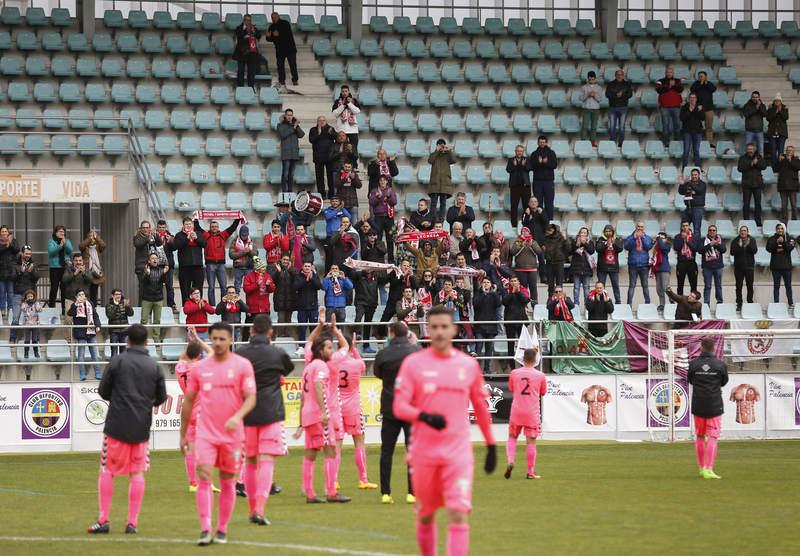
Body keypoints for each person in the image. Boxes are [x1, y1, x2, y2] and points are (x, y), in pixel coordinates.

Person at [394, 306, 496, 556]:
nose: (439, 332)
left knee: (458, 512)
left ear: (454, 329)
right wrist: (424, 416)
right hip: (424, 453)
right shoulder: (413, 364)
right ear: (427, 330)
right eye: (434, 327)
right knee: (426, 515)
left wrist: (491, 444)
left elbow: (482, 408)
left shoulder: (468, 365)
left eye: (444, 327)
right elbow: (399, 406)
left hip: (457, 453)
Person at [180, 322, 257, 545]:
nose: (218, 343)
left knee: (227, 481)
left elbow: (251, 397)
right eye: (215, 339)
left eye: (222, 339)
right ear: (210, 339)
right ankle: (205, 528)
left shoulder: (243, 365)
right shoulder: (201, 368)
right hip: (205, 434)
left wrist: (238, 415)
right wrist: (183, 434)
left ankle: (222, 529)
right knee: (204, 476)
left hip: (233, 436)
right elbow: (189, 400)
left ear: (231, 340)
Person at [86, 324, 166, 535]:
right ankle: (132, 523)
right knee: (137, 473)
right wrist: (144, 403)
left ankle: (103, 520)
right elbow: (162, 397)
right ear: (146, 341)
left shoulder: (118, 361)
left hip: (116, 425)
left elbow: (103, 391)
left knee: (107, 470)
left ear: (127, 340)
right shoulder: (153, 365)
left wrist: (120, 400)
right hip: (141, 426)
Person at [236, 315, 293, 525]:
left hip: (247, 412)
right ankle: (259, 509)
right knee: (267, 459)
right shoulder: (277, 353)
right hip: (271, 412)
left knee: (250, 460)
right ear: (270, 332)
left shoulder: (240, 353)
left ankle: (252, 508)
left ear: (251, 331)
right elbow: (287, 369)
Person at [294, 316, 351, 503]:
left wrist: (300, 422)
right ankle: (331, 491)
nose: (331, 350)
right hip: (323, 413)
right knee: (331, 450)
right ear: (322, 350)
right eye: (328, 347)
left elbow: (303, 394)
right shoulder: (324, 365)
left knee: (311, 452)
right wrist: (324, 411)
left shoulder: (308, 366)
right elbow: (346, 348)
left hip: (308, 414)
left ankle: (310, 491)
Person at [374, 321, 419, 504]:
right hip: (410, 406)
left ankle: (386, 492)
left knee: (387, 451)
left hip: (390, 406)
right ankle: (412, 492)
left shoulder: (384, 354)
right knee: (413, 450)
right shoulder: (415, 352)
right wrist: (415, 343)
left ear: (391, 333)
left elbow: (378, 373)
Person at [331, 330, 377, 488]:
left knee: (337, 443)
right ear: (352, 345)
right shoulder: (357, 363)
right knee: (359, 441)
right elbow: (363, 365)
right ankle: (363, 479)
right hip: (353, 407)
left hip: (337, 406)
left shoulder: (333, 362)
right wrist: (355, 348)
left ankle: (334, 480)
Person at [176, 329, 213, 493]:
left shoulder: (180, 367)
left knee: (191, 449)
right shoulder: (201, 366)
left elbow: (182, 357)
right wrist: (197, 338)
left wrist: (191, 343)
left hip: (187, 409)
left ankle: (193, 483)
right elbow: (211, 352)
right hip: (201, 410)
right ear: (198, 355)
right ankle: (206, 481)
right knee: (205, 447)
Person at [687, 338, 728, 480]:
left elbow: (691, 380)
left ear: (701, 347)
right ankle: (709, 469)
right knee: (713, 436)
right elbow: (723, 382)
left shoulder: (693, 364)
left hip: (698, 403)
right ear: (714, 348)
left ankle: (701, 468)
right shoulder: (720, 364)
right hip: (714, 404)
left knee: (699, 435)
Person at [504, 348, 546, 480]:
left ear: (523, 358)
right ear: (535, 360)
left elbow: (511, 388)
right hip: (531, 412)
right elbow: (543, 392)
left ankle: (511, 460)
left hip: (517, 411)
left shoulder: (514, 373)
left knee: (512, 437)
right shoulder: (540, 375)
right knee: (531, 442)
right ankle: (530, 472)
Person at [68, 289, 102, 381]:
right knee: (81, 354)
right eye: (80, 295)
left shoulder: (90, 304)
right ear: (76, 297)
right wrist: (76, 304)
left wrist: (98, 325)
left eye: (83, 294)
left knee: (94, 353)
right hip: (80, 333)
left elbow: (95, 316)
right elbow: (70, 313)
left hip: (91, 332)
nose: (82, 296)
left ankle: (98, 372)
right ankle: (82, 374)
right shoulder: (74, 305)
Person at [173, 217, 207, 305]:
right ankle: (186, 308)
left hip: (198, 266)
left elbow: (205, 244)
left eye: (190, 224)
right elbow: (176, 246)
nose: (188, 226)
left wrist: (197, 239)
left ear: (193, 225)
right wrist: (187, 239)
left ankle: (198, 307)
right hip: (185, 267)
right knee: (185, 289)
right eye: (186, 224)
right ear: (183, 225)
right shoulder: (179, 235)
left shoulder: (198, 233)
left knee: (198, 289)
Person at [10, 246, 39, 345]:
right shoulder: (15, 264)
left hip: (30, 295)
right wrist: (21, 272)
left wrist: (32, 273)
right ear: (22, 253)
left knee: (34, 317)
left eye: (30, 254)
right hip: (18, 294)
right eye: (26, 254)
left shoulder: (33, 264)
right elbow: (13, 278)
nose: (28, 256)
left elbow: (36, 279)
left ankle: (36, 340)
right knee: (15, 317)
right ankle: (12, 339)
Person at [242, 257, 276, 342]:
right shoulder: (248, 276)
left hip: (265, 308)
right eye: (263, 267)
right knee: (248, 329)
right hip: (252, 308)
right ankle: (244, 344)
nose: (265, 269)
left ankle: (267, 344)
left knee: (266, 328)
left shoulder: (267, 276)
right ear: (258, 267)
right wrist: (257, 284)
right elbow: (246, 289)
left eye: (265, 267)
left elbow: (272, 289)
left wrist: (269, 285)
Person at [472, 278, 501, 373]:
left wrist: (495, 293)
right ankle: (476, 370)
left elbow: (498, 304)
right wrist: (484, 294)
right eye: (484, 282)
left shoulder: (494, 294)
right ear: (481, 284)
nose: (486, 284)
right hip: (479, 326)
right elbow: (476, 304)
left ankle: (487, 369)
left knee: (489, 349)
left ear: (491, 284)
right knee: (478, 348)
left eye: (488, 282)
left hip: (491, 326)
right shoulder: (477, 293)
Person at [139, 253, 169, 347]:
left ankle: (156, 339)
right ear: (149, 260)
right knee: (144, 320)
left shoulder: (161, 270)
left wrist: (164, 273)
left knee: (157, 320)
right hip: (147, 298)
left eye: (156, 258)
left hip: (158, 298)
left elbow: (164, 281)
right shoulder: (145, 269)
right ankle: (141, 339)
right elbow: (143, 281)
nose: (155, 260)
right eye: (152, 258)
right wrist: (147, 273)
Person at [527, 135, 558, 220]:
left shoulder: (551, 153)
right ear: (538, 142)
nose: (542, 143)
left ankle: (549, 221)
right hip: (538, 181)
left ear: (546, 142)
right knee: (537, 203)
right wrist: (538, 162)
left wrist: (546, 162)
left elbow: (554, 165)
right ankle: (538, 221)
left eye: (543, 142)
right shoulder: (534, 154)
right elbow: (531, 167)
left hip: (548, 181)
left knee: (549, 202)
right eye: (540, 142)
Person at [368, 176, 398, 263]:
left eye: (384, 180)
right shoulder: (374, 191)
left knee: (390, 238)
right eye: (380, 180)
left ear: (387, 182)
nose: (382, 182)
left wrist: (389, 197)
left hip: (389, 217)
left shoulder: (390, 190)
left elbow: (394, 202)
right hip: (378, 217)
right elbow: (371, 202)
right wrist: (377, 197)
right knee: (378, 238)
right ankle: (379, 258)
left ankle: (391, 259)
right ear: (379, 182)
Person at [738, 142, 768, 227]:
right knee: (746, 203)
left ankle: (758, 221)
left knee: (758, 204)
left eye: (751, 149)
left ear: (754, 149)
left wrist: (756, 163)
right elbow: (740, 168)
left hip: (757, 184)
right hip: (747, 184)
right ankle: (746, 221)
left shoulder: (759, 157)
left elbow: (764, 166)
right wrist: (751, 164)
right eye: (748, 149)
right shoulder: (743, 158)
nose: (750, 151)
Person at [510, 227, 542, 305]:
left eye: (526, 231)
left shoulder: (533, 241)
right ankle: (523, 306)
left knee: (533, 289)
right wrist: (521, 245)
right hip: (520, 269)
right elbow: (512, 252)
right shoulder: (517, 242)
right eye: (522, 231)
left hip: (532, 269)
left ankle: (535, 307)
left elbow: (539, 251)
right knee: (523, 289)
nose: (524, 233)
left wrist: (531, 244)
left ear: (529, 232)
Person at [133, 220, 162, 304]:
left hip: (154, 266)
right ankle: (141, 307)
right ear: (140, 229)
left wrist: (156, 236)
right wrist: (147, 238)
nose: (146, 229)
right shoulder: (137, 236)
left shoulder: (153, 236)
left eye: (147, 227)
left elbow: (160, 244)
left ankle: (152, 306)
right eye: (144, 228)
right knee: (143, 287)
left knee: (153, 286)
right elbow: (138, 244)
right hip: (142, 266)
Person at [265, 11, 298, 88]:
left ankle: (295, 80)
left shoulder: (285, 23)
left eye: (275, 17)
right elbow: (269, 39)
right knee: (280, 65)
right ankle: (281, 80)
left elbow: (287, 34)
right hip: (279, 50)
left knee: (292, 65)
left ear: (278, 17)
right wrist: (268, 36)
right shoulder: (271, 26)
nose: (274, 19)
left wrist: (278, 34)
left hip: (290, 49)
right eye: (272, 18)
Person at [766, 222, 795, 306]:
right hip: (776, 267)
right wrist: (776, 242)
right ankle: (776, 304)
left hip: (787, 267)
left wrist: (784, 242)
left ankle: (790, 303)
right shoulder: (771, 238)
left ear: (784, 229)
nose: (780, 230)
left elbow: (790, 248)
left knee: (788, 286)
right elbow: (769, 249)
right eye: (778, 228)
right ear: (776, 230)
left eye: (781, 228)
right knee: (776, 286)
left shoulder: (790, 239)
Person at [503, 275, 530, 365]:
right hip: (510, 322)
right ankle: (512, 367)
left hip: (521, 321)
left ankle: (523, 365)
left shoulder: (523, 290)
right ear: (510, 282)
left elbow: (526, 300)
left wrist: (518, 292)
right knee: (510, 345)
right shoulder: (506, 291)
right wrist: (512, 293)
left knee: (523, 345)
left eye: (515, 281)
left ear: (519, 282)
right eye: (512, 281)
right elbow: (504, 302)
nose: (514, 282)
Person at [730, 225, 758, 311]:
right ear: (739, 232)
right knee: (739, 286)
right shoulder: (735, 240)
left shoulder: (752, 240)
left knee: (750, 286)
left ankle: (750, 302)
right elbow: (732, 252)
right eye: (741, 231)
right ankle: (739, 304)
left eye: (745, 231)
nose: (743, 232)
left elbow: (754, 251)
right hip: (738, 267)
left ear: (747, 232)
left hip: (749, 267)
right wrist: (739, 246)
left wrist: (747, 245)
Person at [624, 222, 653, 305]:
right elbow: (627, 247)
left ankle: (647, 304)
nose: (640, 228)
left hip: (644, 265)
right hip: (633, 265)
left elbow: (648, 247)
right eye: (638, 226)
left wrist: (642, 238)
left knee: (645, 286)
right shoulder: (630, 237)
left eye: (642, 227)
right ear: (636, 227)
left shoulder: (647, 237)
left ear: (644, 228)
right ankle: (629, 305)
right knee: (632, 286)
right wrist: (634, 238)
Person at [352, 269, 381, 352]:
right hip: (360, 302)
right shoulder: (359, 276)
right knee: (358, 317)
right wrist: (362, 272)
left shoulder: (376, 276)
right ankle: (357, 334)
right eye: (366, 267)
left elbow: (385, 279)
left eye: (370, 268)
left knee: (367, 325)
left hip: (372, 304)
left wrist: (393, 269)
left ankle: (366, 346)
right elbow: (351, 274)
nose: (369, 269)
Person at [277, 108, 305, 193]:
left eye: (291, 115)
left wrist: (296, 126)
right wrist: (294, 127)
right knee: (285, 174)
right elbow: (283, 135)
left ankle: (290, 191)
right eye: (288, 115)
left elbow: (301, 135)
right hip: (286, 152)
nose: (289, 117)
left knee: (291, 174)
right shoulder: (280, 125)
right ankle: (284, 191)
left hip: (294, 153)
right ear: (285, 116)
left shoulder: (294, 125)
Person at [332, 85, 361, 165]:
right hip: (341, 130)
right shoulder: (337, 101)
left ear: (348, 92)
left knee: (353, 148)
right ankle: (341, 164)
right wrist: (343, 105)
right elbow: (335, 113)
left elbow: (357, 111)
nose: (344, 93)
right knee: (340, 148)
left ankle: (354, 165)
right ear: (341, 92)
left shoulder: (354, 100)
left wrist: (349, 103)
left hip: (352, 130)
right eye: (343, 91)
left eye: (346, 91)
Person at [309, 116, 337, 198]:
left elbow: (336, 137)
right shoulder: (313, 129)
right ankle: (322, 194)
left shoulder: (330, 128)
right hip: (318, 157)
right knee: (319, 177)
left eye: (323, 120)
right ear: (317, 121)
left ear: (326, 121)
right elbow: (311, 140)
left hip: (329, 157)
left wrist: (332, 133)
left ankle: (332, 194)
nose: (321, 122)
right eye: (320, 120)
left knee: (330, 177)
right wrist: (318, 133)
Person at [428, 139, 456, 222]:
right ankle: (432, 220)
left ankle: (441, 221)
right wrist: (437, 151)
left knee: (443, 204)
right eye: (439, 145)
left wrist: (449, 150)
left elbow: (454, 160)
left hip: (445, 183)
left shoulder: (447, 155)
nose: (441, 147)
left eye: (443, 145)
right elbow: (430, 160)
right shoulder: (434, 154)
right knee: (433, 203)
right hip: (435, 183)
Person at [48, 224, 73, 313]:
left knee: (64, 289)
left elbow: (70, 250)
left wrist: (64, 243)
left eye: (63, 231)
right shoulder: (51, 241)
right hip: (54, 268)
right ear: (55, 233)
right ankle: (51, 309)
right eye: (60, 231)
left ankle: (64, 309)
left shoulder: (67, 241)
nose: (62, 233)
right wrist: (60, 246)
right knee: (54, 289)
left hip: (64, 268)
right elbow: (51, 252)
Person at [698, 224, 726, 306]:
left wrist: (716, 244)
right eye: (710, 230)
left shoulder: (720, 240)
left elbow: (724, 250)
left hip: (718, 267)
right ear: (708, 231)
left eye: (714, 230)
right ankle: (706, 304)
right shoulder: (703, 240)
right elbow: (700, 250)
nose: (712, 231)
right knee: (707, 286)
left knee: (718, 286)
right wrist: (710, 245)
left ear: (716, 232)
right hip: (707, 267)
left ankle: (720, 303)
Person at [656, 66, 683, 147]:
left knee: (677, 125)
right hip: (664, 107)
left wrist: (674, 85)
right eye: (667, 72)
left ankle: (677, 142)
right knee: (665, 125)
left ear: (673, 73)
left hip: (676, 106)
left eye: (670, 72)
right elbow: (659, 90)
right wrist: (669, 86)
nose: (669, 73)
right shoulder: (660, 81)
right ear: (665, 73)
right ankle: (666, 143)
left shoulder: (677, 80)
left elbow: (680, 89)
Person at [605, 69, 634, 147]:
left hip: (623, 107)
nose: (619, 76)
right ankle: (612, 143)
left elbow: (630, 94)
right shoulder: (610, 84)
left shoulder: (627, 84)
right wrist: (616, 95)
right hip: (612, 107)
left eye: (621, 74)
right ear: (615, 75)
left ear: (623, 75)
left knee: (621, 127)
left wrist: (622, 95)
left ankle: (621, 143)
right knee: (612, 127)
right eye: (618, 74)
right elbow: (607, 94)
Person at [595, 224, 623, 304]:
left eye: (610, 231)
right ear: (604, 232)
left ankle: (618, 302)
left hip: (613, 267)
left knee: (615, 286)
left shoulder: (617, 239)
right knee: (601, 287)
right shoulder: (600, 240)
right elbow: (598, 249)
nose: (608, 233)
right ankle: (600, 302)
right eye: (606, 231)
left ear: (613, 232)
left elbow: (620, 249)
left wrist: (613, 243)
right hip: (602, 268)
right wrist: (606, 244)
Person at [540, 223, 570, 295]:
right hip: (549, 262)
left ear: (554, 230)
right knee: (550, 284)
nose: (547, 232)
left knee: (559, 284)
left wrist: (566, 240)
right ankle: (550, 300)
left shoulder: (561, 237)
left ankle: (560, 299)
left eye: (549, 230)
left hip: (559, 262)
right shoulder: (545, 238)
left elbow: (568, 249)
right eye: (547, 231)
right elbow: (543, 248)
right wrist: (544, 250)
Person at [690, 71, 717, 147]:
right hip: (698, 109)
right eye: (699, 76)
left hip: (709, 109)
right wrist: (700, 84)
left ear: (706, 77)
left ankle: (709, 143)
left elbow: (714, 89)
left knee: (709, 127)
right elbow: (692, 90)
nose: (700, 77)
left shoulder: (709, 84)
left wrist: (706, 83)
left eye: (702, 76)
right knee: (697, 127)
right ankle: (697, 142)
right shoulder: (696, 84)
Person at [79, 227, 105, 305]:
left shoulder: (97, 247)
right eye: (90, 237)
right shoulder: (85, 247)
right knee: (86, 292)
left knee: (94, 292)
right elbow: (81, 246)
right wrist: (90, 239)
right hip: (87, 271)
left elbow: (103, 245)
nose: (92, 239)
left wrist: (97, 237)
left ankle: (94, 307)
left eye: (93, 237)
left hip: (95, 272)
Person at [233, 13, 261, 89]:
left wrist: (254, 31)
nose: (248, 22)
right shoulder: (239, 28)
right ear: (244, 20)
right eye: (247, 20)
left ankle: (251, 88)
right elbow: (239, 36)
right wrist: (246, 30)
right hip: (241, 52)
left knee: (251, 72)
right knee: (241, 71)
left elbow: (259, 36)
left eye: (250, 20)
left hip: (252, 53)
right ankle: (240, 88)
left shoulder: (253, 27)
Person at [569, 227, 595, 307]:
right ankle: (576, 305)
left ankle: (587, 305)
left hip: (586, 269)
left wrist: (585, 243)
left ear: (587, 234)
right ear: (579, 233)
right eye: (582, 232)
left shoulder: (590, 242)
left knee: (586, 288)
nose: (583, 234)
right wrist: (578, 244)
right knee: (576, 288)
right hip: (576, 268)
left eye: (585, 232)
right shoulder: (574, 241)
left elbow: (591, 251)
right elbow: (571, 251)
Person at [506, 145, 531, 227]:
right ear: (515, 151)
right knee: (514, 206)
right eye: (518, 151)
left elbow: (529, 168)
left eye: (521, 151)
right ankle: (514, 225)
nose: (519, 152)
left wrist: (522, 165)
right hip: (515, 186)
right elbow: (508, 170)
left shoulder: (526, 159)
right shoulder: (511, 160)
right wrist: (515, 165)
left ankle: (526, 225)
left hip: (525, 186)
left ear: (523, 152)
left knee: (526, 206)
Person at [774, 145, 800, 223]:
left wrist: (790, 161)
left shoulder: (796, 160)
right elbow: (775, 169)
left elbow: (797, 167)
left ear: (793, 152)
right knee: (783, 205)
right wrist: (779, 161)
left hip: (793, 186)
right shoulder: (782, 159)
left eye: (791, 150)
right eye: (788, 150)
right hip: (783, 185)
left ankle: (794, 220)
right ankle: (784, 221)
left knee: (794, 205)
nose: (789, 152)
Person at [679, 168, 707, 238]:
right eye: (692, 175)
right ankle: (683, 245)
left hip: (698, 208)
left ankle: (696, 247)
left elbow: (699, 190)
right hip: (688, 208)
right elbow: (681, 192)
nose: (694, 176)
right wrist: (682, 184)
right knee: (683, 227)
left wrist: (689, 183)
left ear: (699, 175)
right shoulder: (689, 183)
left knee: (696, 229)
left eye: (695, 175)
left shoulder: (702, 184)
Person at [155, 220, 177, 310]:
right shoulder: (154, 236)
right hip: (157, 264)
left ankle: (171, 304)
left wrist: (171, 241)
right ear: (157, 227)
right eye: (160, 227)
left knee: (169, 285)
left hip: (168, 264)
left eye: (163, 227)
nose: (161, 229)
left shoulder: (170, 236)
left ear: (166, 227)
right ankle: (157, 304)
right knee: (157, 285)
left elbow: (174, 248)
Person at [673, 221, 699, 295]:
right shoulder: (677, 237)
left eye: (687, 225)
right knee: (680, 285)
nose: (685, 227)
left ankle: (692, 302)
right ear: (681, 227)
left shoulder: (694, 237)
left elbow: (695, 248)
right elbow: (677, 248)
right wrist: (682, 239)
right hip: (681, 263)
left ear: (689, 226)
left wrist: (687, 241)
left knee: (693, 285)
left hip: (691, 262)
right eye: (683, 226)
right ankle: (680, 302)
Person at [680, 93, 704, 170]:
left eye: (694, 97)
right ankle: (684, 168)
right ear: (688, 99)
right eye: (691, 97)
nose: (692, 99)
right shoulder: (684, 107)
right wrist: (690, 111)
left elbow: (703, 118)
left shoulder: (699, 107)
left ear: (696, 99)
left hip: (697, 132)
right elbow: (682, 118)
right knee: (686, 151)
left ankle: (698, 169)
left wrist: (699, 111)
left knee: (696, 151)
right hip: (687, 132)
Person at [18, 289, 44, 360]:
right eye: (28, 296)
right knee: (27, 339)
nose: (30, 298)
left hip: (35, 324)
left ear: (33, 297)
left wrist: (36, 304)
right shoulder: (24, 304)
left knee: (35, 339)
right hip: (27, 324)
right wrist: (26, 303)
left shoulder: (36, 303)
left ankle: (36, 352)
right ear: (26, 297)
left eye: (31, 296)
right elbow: (23, 309)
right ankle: (26, 352)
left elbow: (40, 310)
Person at [106, 288, 133, 357]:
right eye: (116, 294)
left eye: (119, 294)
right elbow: (110, 316)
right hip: (114, 331)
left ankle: (122, 367)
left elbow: (131, 314)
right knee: (114, 352)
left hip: (124, 331)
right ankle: (114, 367)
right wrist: (116, 305)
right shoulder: (109, 305)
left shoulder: (124, 303)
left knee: (123, 353)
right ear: (112, 295)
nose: (118, 296)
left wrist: (128, 306)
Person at [580, 70, 604, 146]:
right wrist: (587, 95)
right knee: (585, 126)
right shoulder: (584, 87)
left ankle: (592, 141)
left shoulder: (599, 88)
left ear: (595, 79)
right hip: (586, 108)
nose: (591, 81)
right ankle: (583, 141)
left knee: (594, 126)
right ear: (588, 79)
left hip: (595, 109)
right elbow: (581, 98)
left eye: (593, 79)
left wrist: (594, 95)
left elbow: (600, 99)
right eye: (590, 79)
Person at [230, 225, 256, 294]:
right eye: (242, 235)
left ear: (248, 234)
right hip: (238, 267)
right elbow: (231, 255)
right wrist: (243, 252)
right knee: (237, 288)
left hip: (249, 267)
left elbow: (255, 254)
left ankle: (250, 303)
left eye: (245, 235)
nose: (244, 236)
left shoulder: (251, 242)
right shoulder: (234, 241)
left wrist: (249, 251)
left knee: (250, 287)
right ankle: (236, 303)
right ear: (240, 234)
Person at [651, 232, 672, 312]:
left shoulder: (667, 245)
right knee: (659, 288)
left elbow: (663, 248)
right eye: (659, 238)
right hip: (657, 269)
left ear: (666, 239)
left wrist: (658, 239)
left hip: (664, 268)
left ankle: (672, 299)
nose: (660, 239)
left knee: (665, 286)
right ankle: (662, 304)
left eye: (662, 238)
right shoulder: (656, 247)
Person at [742, 90, 767, 156]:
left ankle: (761, 164)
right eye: (753, 97)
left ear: (759, 97)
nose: (755, 98)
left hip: (759, 131)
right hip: (749, 131)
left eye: (756, 97)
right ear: (751, 97)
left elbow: (765, 114)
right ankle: (747, 164)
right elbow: (746, 114)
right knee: (748, 150)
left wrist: (760, 107)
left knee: (761, 150)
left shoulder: (762, 105)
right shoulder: (747, 105)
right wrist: (755, 109)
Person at [767, 93, 789, 163]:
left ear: (781, 102)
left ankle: (780, 166)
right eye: (776, 101)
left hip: (782, 133)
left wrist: (780, 111)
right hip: (772, 133)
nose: (777, 102)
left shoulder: (785, 108)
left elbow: (786, 117)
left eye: (778, 101)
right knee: (773, 151)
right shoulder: (770, 109)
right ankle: (774, 167)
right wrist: (776, 112)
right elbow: (768, 118)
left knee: (781, 151)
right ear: (774, 101)